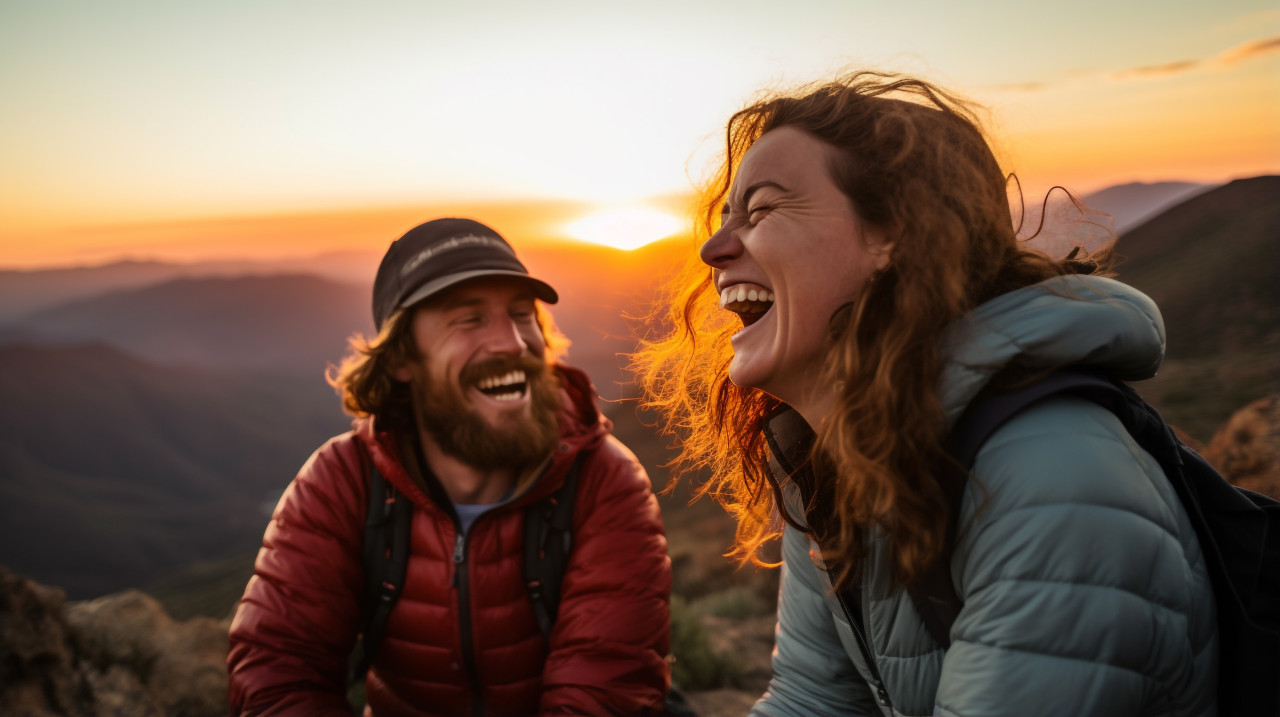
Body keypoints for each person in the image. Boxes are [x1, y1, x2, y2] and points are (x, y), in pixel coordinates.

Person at [634, 72, 1217, 715]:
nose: (714, 250)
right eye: (724, 219)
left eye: (764, 209)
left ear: (893, 234)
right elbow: (813, 699)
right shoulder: (832, 454)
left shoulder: (1052, 478)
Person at [228, 218, 671, 716]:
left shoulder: (603, 481)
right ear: (402, 360)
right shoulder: (344, 481)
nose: (512, 342)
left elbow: (603, 691)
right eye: (469, 319)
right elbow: (278, 667)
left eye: (523, 315)